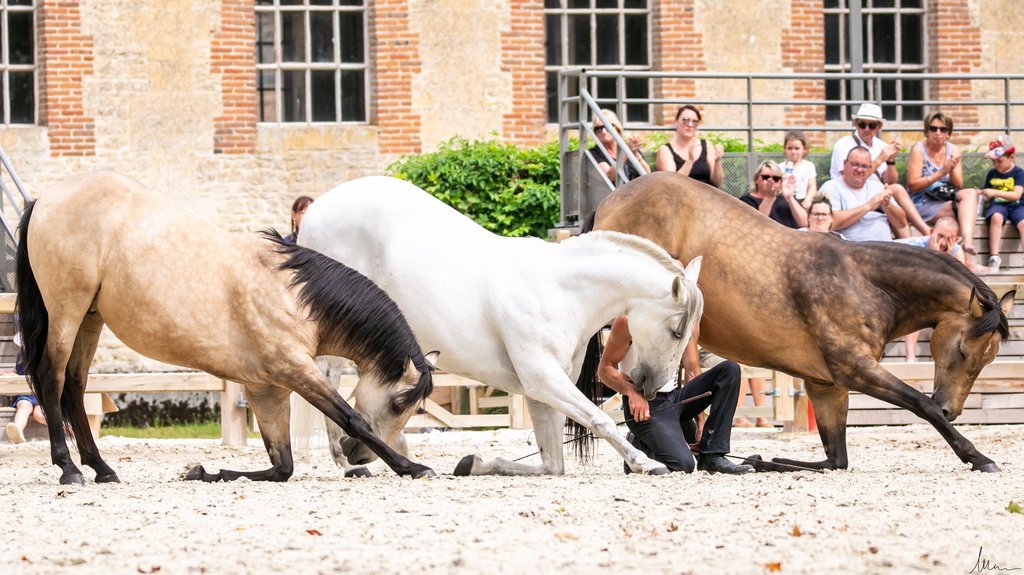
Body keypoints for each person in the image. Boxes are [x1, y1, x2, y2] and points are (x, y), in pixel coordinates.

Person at [598, 315, 754, 475]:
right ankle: (638, 448)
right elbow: (604, 368)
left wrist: (700, 425)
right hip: (645, 408)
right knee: (683, 465)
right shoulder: (627, 321)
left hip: (674, 399)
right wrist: (631, 392)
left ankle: (712, 456)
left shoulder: (688, 320)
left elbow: (692, 371)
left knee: (729, 370)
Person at [829, 102, 930, 237]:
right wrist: (880, 158)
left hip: (875, 193)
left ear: (879, 126)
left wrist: (890, 160)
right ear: (856, 124)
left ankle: (911, 242)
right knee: (895, 192)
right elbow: (852, 178)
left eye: (872, 125)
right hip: (849, 193)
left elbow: (890, 181)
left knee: (896, 199)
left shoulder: (881, 145)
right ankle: (924, 232)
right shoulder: (843, 144)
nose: (866, 129)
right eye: (862, 124)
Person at [897, 217, 974, 362]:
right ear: (932, 232)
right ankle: (910, 357)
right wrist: (933, 255)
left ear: (956, 239)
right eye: (940, 236)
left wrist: (945, 258)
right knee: (917, 302)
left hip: (942, 298)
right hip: (915, 296)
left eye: (949, 238)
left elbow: (959, 284)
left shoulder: (956, 251)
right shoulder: (912, 246)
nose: (943, 243)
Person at [905, 112, 981, 256]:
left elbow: (958, 184)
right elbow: (913, 185)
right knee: (960, 212)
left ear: (948, 133)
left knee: (970, 193)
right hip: (922, 201)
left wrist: (951, 168)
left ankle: (967, 242)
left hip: (944, 198)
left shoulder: (952, 149)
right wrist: (941, 172)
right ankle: (965, 259)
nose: (938, 133)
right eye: (933, 129)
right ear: (927, 131)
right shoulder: (918, 149)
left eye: (943, 129)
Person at [820, 147, 907, 242]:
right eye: (855, 164)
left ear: (870, 167)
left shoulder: (877, 187)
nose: (860, 170)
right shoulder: (831, 188)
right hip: (853, 247)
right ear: (845, 164)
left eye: (865, 166)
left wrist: (888, 205)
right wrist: (868, 206)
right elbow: (829, 223)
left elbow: (901, 223)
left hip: (887, 246)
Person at [980, 135, 1024, 272]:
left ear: (1011, 157)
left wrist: (994, 192)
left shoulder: (1019, 173)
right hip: (998, 205)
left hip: (1017, 205)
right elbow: (987, 197)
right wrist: (983, 194)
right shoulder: (992, 173)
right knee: (996, 217)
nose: (996, 165)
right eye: (993, 161)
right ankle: (994, 257)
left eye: (999, 161)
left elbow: (1016, 195)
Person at [655, 104, 724, 188]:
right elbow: (671, 184)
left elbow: (717, 183)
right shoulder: (665, 150)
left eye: (695, 121)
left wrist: (717, 162)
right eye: (686, 120)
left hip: (708, 192)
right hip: (682, 194)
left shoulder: (706, 145)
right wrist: (690, 161)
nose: (690, 125)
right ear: (676, 122)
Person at [738, 160, 808, 229]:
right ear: (756, 179)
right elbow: (757, 225)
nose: (771, 181)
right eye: (765, 177)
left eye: (776, 178)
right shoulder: (746, 200)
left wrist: (790, 197)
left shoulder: (786, 198)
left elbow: (804, 223)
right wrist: (769, 198)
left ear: (780, 181)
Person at [587, 109, 650, 183]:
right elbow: (610, 176)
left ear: (617, 129)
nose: (603, 132)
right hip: (614, 190)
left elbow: (647, 174)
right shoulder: (594, 153)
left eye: (607, 126)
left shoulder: (629, 148)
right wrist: (627, 151)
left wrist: (636, 155)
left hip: (638, 188)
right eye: (598, 129)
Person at [781, 130, 818, 210]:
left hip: (803, 201)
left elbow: (812, 186)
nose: (793, 152)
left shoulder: (808, 166)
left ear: (804, 149)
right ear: (784, 149)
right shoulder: (780, 167)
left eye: (797, 148)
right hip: (783, 202)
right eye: (790, 148)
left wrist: (808, 200)